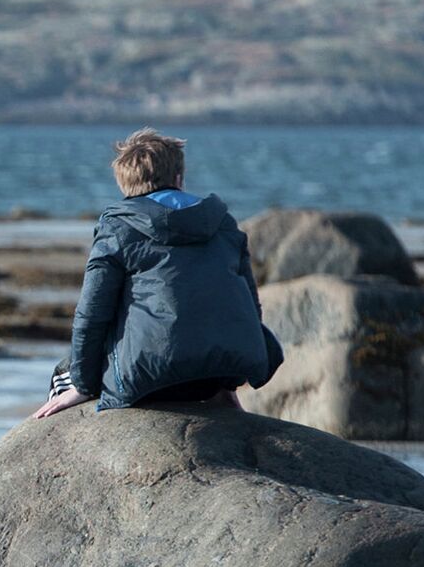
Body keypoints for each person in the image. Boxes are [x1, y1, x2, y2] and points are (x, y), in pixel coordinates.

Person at [32, 129, 282, 419]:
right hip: (220, 377)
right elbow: (249, 305)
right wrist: (227, 384)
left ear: (125, 187)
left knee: (62, 376)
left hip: (151, 379)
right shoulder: (223, 223)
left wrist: (85, 386)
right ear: (178, 179)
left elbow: (92, 314)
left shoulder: (119, 227)